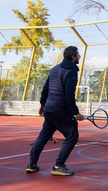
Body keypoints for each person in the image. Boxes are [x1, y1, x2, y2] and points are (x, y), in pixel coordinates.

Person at [26, 46, 84, 176]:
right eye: (78, 54)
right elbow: (69, 94)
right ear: (73, 56)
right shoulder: (72, 71)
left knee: (43, 136)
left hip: (50, 109)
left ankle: (32, 164)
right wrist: (76, 113)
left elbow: (45, 89)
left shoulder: (54, 69)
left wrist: (42, 104)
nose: (79, 56)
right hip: (60, 110)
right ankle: (59, 165)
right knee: (72, 136)